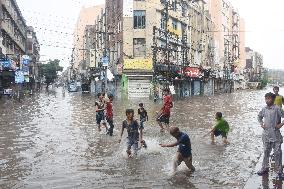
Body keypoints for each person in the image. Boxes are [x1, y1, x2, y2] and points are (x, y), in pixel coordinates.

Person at [257, 92, 284, 179]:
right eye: (266, 98)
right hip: (266, 135)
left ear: (273, 99)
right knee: (266, 152)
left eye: (268, 98)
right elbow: (259, 116)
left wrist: (281, 124)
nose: (267, 100)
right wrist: (261, 124)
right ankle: (264, 168)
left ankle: (279, 171)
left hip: (276, 135)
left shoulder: (277, 109)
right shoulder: (264, 109)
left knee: (278, 153)